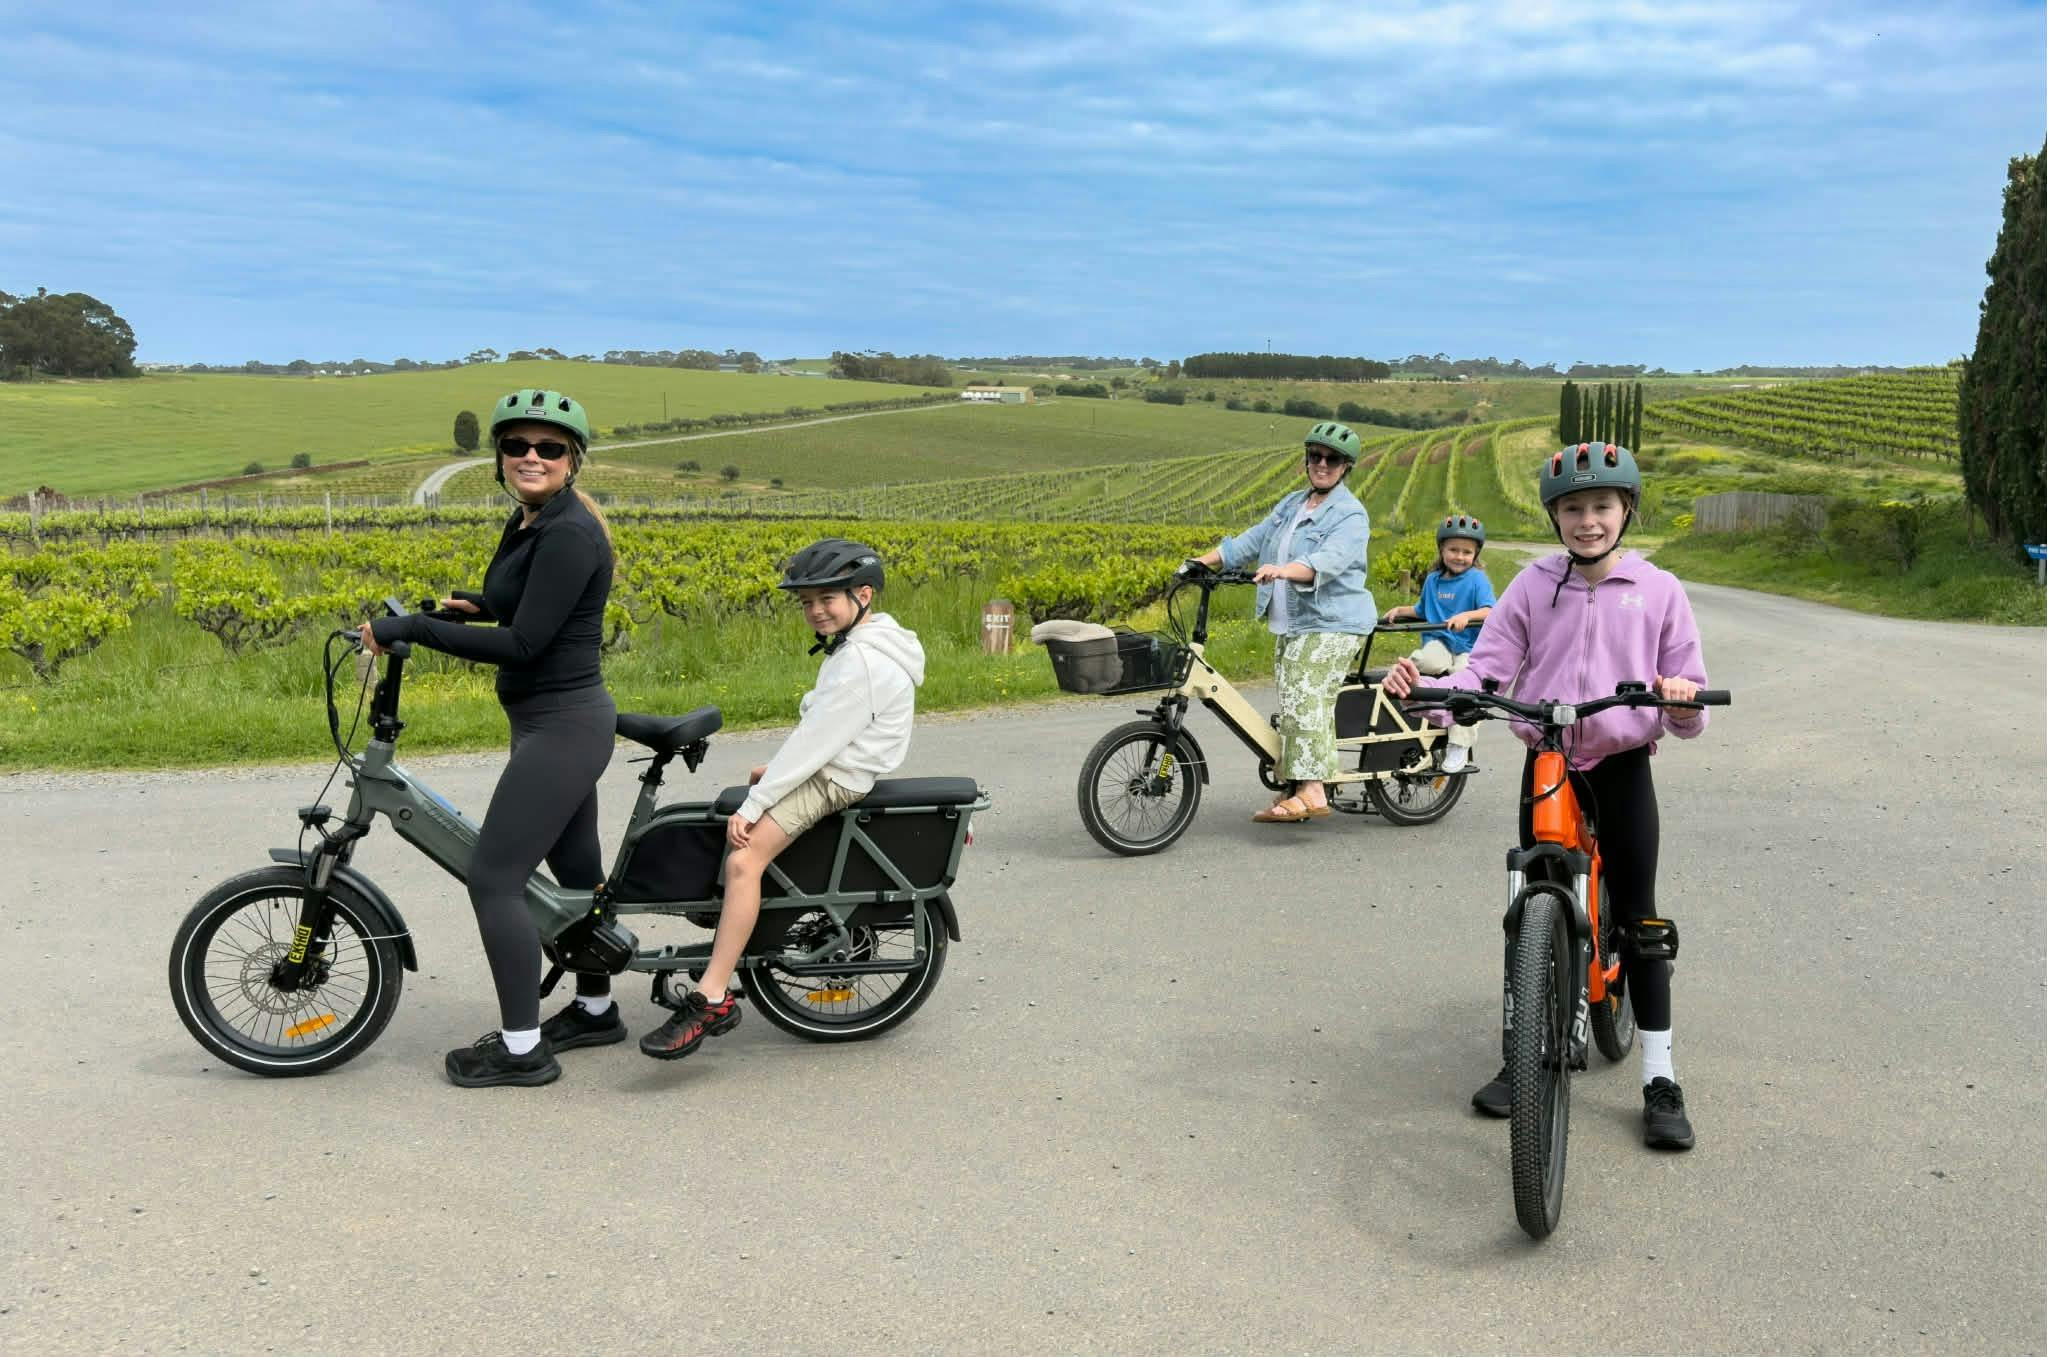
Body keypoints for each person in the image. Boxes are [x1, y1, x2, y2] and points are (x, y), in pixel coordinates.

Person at [1380, 442, 1710, 1150]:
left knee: (1642, 920)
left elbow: (1687, 705)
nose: (1586, 521)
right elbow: (1489, 667)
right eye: (1571, 509)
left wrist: (1679, 699)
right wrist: (1438, 698)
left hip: (1620, 761)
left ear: (1625, 511)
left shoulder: (1659, 590)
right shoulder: (1532, 584)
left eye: (1600, 506)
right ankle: (1528, 1049)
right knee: (1531, 895)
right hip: (1549, 756)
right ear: (1554, 516)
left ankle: (1658, 1076)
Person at [361, 388, 616, 1089]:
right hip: (548, 722)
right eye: (516, 446)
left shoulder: (566, 531)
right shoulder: (531, 520)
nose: (530, 456)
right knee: (573, 870)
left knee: (495, 878)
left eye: (549, 448)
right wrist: (477, 607)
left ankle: (523, 1047)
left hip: (563, 725)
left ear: (573, 461)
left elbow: (526, 643)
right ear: (500, 457)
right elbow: (521, 606)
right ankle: (596, 1007)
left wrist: (411, 629)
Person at [638, 538, 925, 1061]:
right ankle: (735, 917)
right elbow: (825, 731)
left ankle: (712, 997)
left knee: (746, 860)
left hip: (835, 778)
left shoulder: (862, 661)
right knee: (749, 799)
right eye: (806, 602)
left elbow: (816, 743)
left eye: (827, 600)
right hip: (841, 764)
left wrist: (758, 802)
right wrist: (771, 777)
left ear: (863, 594)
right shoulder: (870, 644)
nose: (815, 611)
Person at [1188, 421, 1371, 823]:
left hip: (1334, 621)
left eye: (1332, 459)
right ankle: (1295, 786)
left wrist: (1288, 570)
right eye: (1315, 456)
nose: (1322, 464)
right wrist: (1200, 562)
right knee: (1292, 707)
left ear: (1345, 467)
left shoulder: (1351, 515)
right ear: (1307, 459)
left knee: (1309, 698)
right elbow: (1249, 541)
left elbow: (1330, 560)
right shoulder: (1291, 504)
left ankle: (1314, 790)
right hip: (1293, 622)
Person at [1380, 513, 1495, 773]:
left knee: (1466, 687)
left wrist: (1467, 615)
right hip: (1441, 642)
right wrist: (1401, 609)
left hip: (1468, 648)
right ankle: (1405, 686)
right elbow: (1423, 610)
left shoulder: (1477, 580)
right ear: (1442, 549)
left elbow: (1491, 611)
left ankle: (1459, 745)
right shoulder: (1433, 580)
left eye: (1467, 552)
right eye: (1453, 550)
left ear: (1475, 554)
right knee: (1424, 660)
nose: (1459, 556)